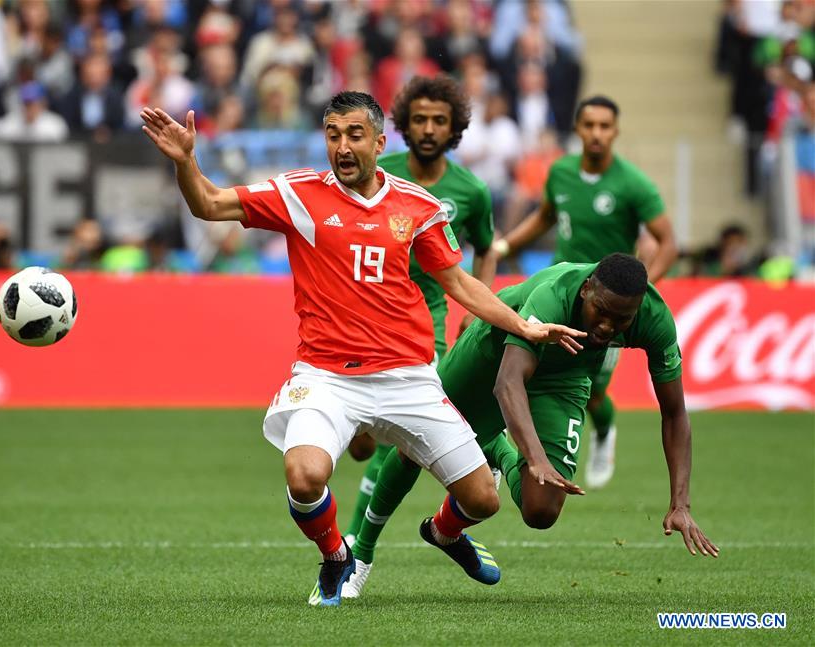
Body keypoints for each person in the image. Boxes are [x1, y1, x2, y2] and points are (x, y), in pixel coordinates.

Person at [140, 92, 584, 606]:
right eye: (333, 135)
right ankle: (335, 556)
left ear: (378, 141)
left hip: (409, 378)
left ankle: (443, 532)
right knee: (305, 476)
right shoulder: (299, 193)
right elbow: (210, 204)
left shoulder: (415, 206)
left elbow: (460, 284)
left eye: (354, 135)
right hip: (326, 377)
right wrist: (187, 162)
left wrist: (525, 328)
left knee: (483, 498)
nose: (342, 147)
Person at [343, 254, 719, 598]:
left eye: (622, 320)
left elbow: (674, 413)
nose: (608, 326)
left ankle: (449, 523)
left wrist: (680, 503)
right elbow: (507, 383)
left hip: (565, 377)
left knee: (541, 510)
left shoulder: (654, 318)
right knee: (414, 446)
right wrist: (533, 457)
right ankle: (361, 555)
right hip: (493, 353)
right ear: (587, 289)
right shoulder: (552, 296)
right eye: (601, 311)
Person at [488, 95, 678, 489]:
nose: (596, 134)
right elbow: (544, 217)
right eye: (589, 125)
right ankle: (501, 445)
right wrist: (505, 246)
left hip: (606, 312)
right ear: (577, 129)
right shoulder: (560, 173)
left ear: (615, 131)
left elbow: (668, 242)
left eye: (604, 126)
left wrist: (639, 294)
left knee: (591, 394)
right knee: (517, 372)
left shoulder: (633, 184)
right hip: (561, 299)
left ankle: (604, 431)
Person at [341, 75, 497, 550]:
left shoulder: (471, 191)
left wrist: (480, 302)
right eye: (420, 119)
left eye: (439, 121)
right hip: (360, 313)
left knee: (402, 435)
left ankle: (356, 542)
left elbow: (487, 248)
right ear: (404, 126)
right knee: (363, 442)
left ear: (454, 129)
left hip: (424, 321)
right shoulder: (374, 170)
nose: (429, 128)